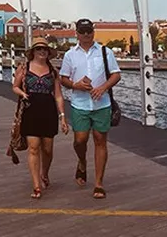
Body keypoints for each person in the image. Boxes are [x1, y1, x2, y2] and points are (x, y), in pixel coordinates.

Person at [60, 18, 121, 199]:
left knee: (100, 139)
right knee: (80, 140)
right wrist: (75, 85)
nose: (86, 35)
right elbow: (63, 78)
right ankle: (82, 161)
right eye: (82, 32)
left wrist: (103, 87)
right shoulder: (70, 55)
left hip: (102, 104)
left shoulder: (105, 52)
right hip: (80, 103)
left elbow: (116, 75)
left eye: (89, 31)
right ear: (76, 33)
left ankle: (99, 183)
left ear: (93, 32)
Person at [12, 36, 69, 199]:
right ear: (33, 52)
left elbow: (58, 95)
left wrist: (62, 117)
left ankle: (45, 173)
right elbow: (15, 86)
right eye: (39, 49)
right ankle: (36, 185)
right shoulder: (24, 68)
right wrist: (22, 93)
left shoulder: (52, 72)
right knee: (34, 147)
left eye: (44, 49)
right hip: (31, 110)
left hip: (48, 111)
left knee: (48, 148)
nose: (42, 51)